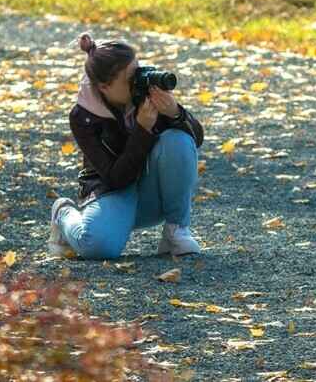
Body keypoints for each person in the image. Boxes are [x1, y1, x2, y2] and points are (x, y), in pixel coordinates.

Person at [48, 34, 205, 260]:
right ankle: (63, 213)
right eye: (131, 78)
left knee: (178, 139)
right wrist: (142, 130)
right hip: (113, 192)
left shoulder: (146, 93)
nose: (139, 80)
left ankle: (175, 231)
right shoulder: (83, 117)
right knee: (98, 248)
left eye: (138, 70)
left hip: (152, 194)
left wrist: (176, 114)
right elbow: (115, 179)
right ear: (104, 86)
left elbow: (194, 141)